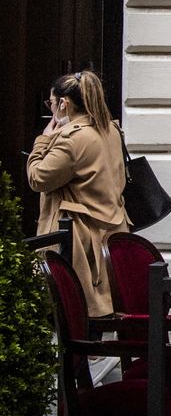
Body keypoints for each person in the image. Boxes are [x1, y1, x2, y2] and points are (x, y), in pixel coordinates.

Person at [27, 71, 128, 317]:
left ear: (64, 103)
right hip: (111, 232)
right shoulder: (111, 130)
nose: (51, 109)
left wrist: (42, 140)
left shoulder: (71, 139)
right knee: (100, 308)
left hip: (77, 239)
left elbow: (38, 178)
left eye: (51, 103)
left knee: (70, 311)